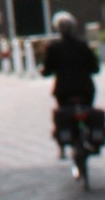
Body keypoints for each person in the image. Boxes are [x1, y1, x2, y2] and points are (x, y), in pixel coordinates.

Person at [41, 11, 100, 171]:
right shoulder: (83, 45)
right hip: (85, 89)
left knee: (63, 114)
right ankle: (90, 136)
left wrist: (44, 70)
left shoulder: (53, 47)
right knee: (87, 110)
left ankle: (62, 146)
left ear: (57, 29)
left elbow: (46, 71)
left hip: (64, 91)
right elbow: (95, 68)